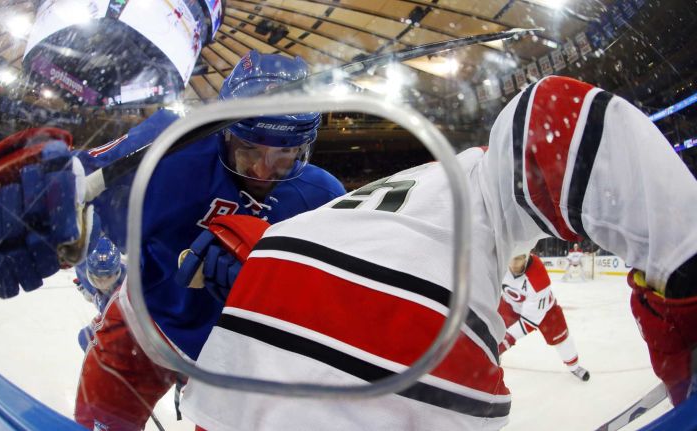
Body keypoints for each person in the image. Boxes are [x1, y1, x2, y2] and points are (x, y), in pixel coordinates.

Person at [172, 75, 697, 430]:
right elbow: (564, 120)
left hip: (233, 370)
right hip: (396, 337)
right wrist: (683, 355)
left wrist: (258, 253)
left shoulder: (425, 180)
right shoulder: (476, 238)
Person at [0, 50, 346, 430]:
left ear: (304, 146)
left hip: (238, 359)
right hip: (143, 329)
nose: (264, 171)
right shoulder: (167, 151)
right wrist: (39, 198)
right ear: (223, 130)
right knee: (96, 423)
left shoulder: (323, 198)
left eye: (284, 155)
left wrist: (269, 282)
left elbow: (333, 304)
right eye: (248, 150)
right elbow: (84, 180)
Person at [498, 253, 590, 381]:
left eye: (518, 259)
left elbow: (530, 321)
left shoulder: (538, 276)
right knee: (495, 330)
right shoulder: (498, 259)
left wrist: (507, 340)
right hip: (509, 303)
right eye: (512, 259)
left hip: (545, 311)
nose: (514, 264)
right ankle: (495, 356)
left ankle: (574, 366)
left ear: (526, 257)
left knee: (561, 339)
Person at [74, 237, 126, 351]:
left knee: (85, 338)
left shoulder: (127, 286)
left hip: (121, 323)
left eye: (108, 277)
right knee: (85, 338)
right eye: (97, 278)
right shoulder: (81, 270)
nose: (103, 285)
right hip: (109, 316)